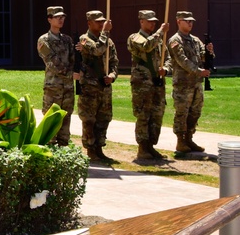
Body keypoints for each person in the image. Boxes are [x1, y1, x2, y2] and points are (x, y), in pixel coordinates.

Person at [165, 11, 214, 154]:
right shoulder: (175, 40)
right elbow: (182, 61)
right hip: (183, 84)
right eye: (187, 21)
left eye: (191, 21)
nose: (190, 24)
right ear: (179, 21)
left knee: (195, 112)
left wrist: (210, 52)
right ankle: (181, 141)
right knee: (182, 113)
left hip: (196, 84)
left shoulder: (195, 40)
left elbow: (203, 57)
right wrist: (199, 71)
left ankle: (189, 138)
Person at [127, 10, 169, 161]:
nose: (152, 24)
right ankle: (142, 148)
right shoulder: (135, 38)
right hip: (143, 84)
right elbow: (146, 46)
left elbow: (168, 57)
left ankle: (151, 146)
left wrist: (166, 69)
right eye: (149, 21)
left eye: (154, 22)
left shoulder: (159, 39)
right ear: (141, 21)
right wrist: (160, 32)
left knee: (157, 114)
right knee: (143, 114)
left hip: (157, 82)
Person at [76, 10, 118, 162]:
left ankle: (99, 148)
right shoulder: (84, 39)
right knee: (89, 119)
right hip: (90, 87)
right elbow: (98, 50)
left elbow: (114, 62)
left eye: (103, 21)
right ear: (89, 23)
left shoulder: (109, 42)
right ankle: (90, 149)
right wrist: (105, 32)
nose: (101, 24)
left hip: (104, 86)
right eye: (98, 21)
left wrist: (112, 76)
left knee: (104, 118)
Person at [37, 6, 78, 147]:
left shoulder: (67, 40)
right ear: (49, 19)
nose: (61, 20)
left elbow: (73, 61)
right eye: (57, 17)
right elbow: (52, 63)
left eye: (63, 17)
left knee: (66, 119)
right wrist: (71, 74)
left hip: (67, 88)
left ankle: (64, 151)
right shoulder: (43, 40)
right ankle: (50, 152)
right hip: (53, 88)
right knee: (51, 120)